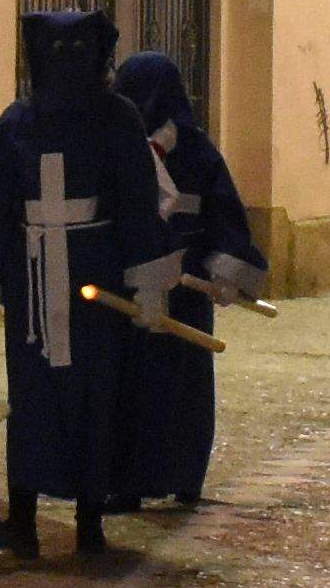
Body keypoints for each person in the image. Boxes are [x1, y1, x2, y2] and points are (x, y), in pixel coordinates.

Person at [0, 5, 158, 557]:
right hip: (37, 280)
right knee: (33, 399)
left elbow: (135, 199)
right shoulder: (19, 123)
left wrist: (147, 278)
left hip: (92, 277)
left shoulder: (114, 119)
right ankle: (26, 520)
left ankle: (87, 522)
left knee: (92, 396)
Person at [107, 49, 260, 511]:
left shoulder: (196, 151)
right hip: (132, 288)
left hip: (186, 290)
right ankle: (131, 480)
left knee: (186, 387)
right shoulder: (118, 148)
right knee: (132, 389)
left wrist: (225, 273)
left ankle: (185, 476)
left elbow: (224, 215)